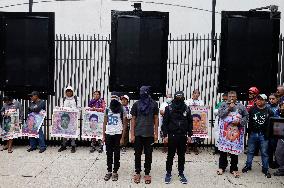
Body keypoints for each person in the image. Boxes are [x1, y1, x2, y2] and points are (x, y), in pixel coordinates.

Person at [162, 91, 192, 184]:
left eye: (181, 97)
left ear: (183, 98)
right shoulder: (169, 108)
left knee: (181, 156)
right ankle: (168, 173)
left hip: (183, 136)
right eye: (177, 97)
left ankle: (181, 173)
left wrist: (190, 135)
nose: (179, 99)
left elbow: (190, 122)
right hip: (172, 136)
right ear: (174, 98)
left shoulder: (187, 109)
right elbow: (165, 123)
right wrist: (165, 135)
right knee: (170, 156)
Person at [130, 86, 159, 184]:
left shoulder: (154, 104)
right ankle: (137, 172)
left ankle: (147, 173)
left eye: (145, 92)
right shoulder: (136, 104)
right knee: (137, 154)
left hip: (149, 134)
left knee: (149, 154)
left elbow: (156, 118)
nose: (143, 93)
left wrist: (156, 133)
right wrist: (132, 134)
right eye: (142, 92)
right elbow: (133, 119)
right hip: (138, 133)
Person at [217, 91, 248, 178]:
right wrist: (229, 109)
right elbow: (220, 115)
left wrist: (240, 121)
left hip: (236, 132)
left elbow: (246, 115)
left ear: (236, 97)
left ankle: (233, 168)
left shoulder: (241, 106)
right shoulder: (223, 105)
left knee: (234, 152)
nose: (231, 98)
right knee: (223, 151)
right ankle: (222, 167)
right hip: (225, 133)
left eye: (233, 96)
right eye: (230, 96)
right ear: (227, 97)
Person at [242, 94, 274, 178]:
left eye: (261, 99)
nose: (259, 101)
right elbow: (246, 118)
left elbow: (272, 122)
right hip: (253, 133)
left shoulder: (269, 110)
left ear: (265, 101)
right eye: (258, 99)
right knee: (250, 151)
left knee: (264, 152)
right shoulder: (252, 109)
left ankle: (265, 169)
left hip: (263, 135)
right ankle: (248, 166)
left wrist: (269, 134)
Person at [102, 93, 127, 181]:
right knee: (109, 153)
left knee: (116, 153)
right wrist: (103, 135)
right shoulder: (107, 109)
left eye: (115, 99)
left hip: (118, 134)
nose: (113, 100)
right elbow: (105, 122)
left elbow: (124, 124)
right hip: (109, 133)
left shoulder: (122, 109)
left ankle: (115, 171)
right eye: (112, 98)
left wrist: (122, 137)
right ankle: (109, 171)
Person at [58, 86, 80, 153]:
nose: (69, 93)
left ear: (72, 92)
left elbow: (79, 108)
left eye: (70, 91)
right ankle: (64, 145)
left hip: (73, 118)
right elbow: (61, 107)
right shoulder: (64, 99)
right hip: (65, 118)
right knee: (64, 131)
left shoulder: (76, 98)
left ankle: (73, 145)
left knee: (72, 131)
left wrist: (73, 110)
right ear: (65, 92)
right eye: (67, 91)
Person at [185, 89, 204, 155]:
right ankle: (187, 147)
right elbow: (185, 109)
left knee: (197, 133)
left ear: (199, 95)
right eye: (195, 93)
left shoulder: (201, 102)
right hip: (189, 120)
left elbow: (203, 111)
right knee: (188, 133)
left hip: (197, 120)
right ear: (192, 94)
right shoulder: (187, 101)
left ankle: (195, 148)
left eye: (198, 93)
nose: (196, 94)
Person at [267, 93, 280, 169]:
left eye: (273, 99)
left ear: (277, 99)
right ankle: (269, 162)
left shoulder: (279, 107)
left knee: (276, 148)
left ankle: (277, 162)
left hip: (277, 130)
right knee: (269, 147)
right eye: (270, 99)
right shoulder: (267, 107)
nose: (271, 100)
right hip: (269, 130)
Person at [274, 102, 284, 176]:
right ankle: (282, 169)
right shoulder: (278, 113)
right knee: (278, 152)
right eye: (281, 106)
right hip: (281, 136)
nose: (282, 107)